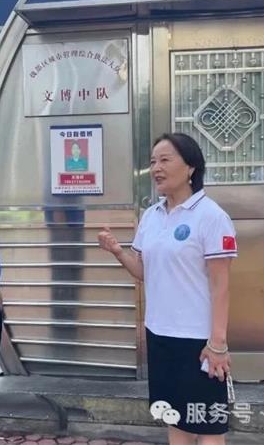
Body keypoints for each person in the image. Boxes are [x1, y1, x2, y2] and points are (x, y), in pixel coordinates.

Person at [98, 132, 237, 445]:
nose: (156, 168)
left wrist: (217, 343)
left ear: (190, 167)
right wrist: (118, 251)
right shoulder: (151, 215)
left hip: (198, 340)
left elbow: (221, 286)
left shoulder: (211, 216)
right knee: (175, 417)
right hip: (159, 334)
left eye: (164, 160)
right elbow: (143, 272)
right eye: (152, 162)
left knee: (208, 425)